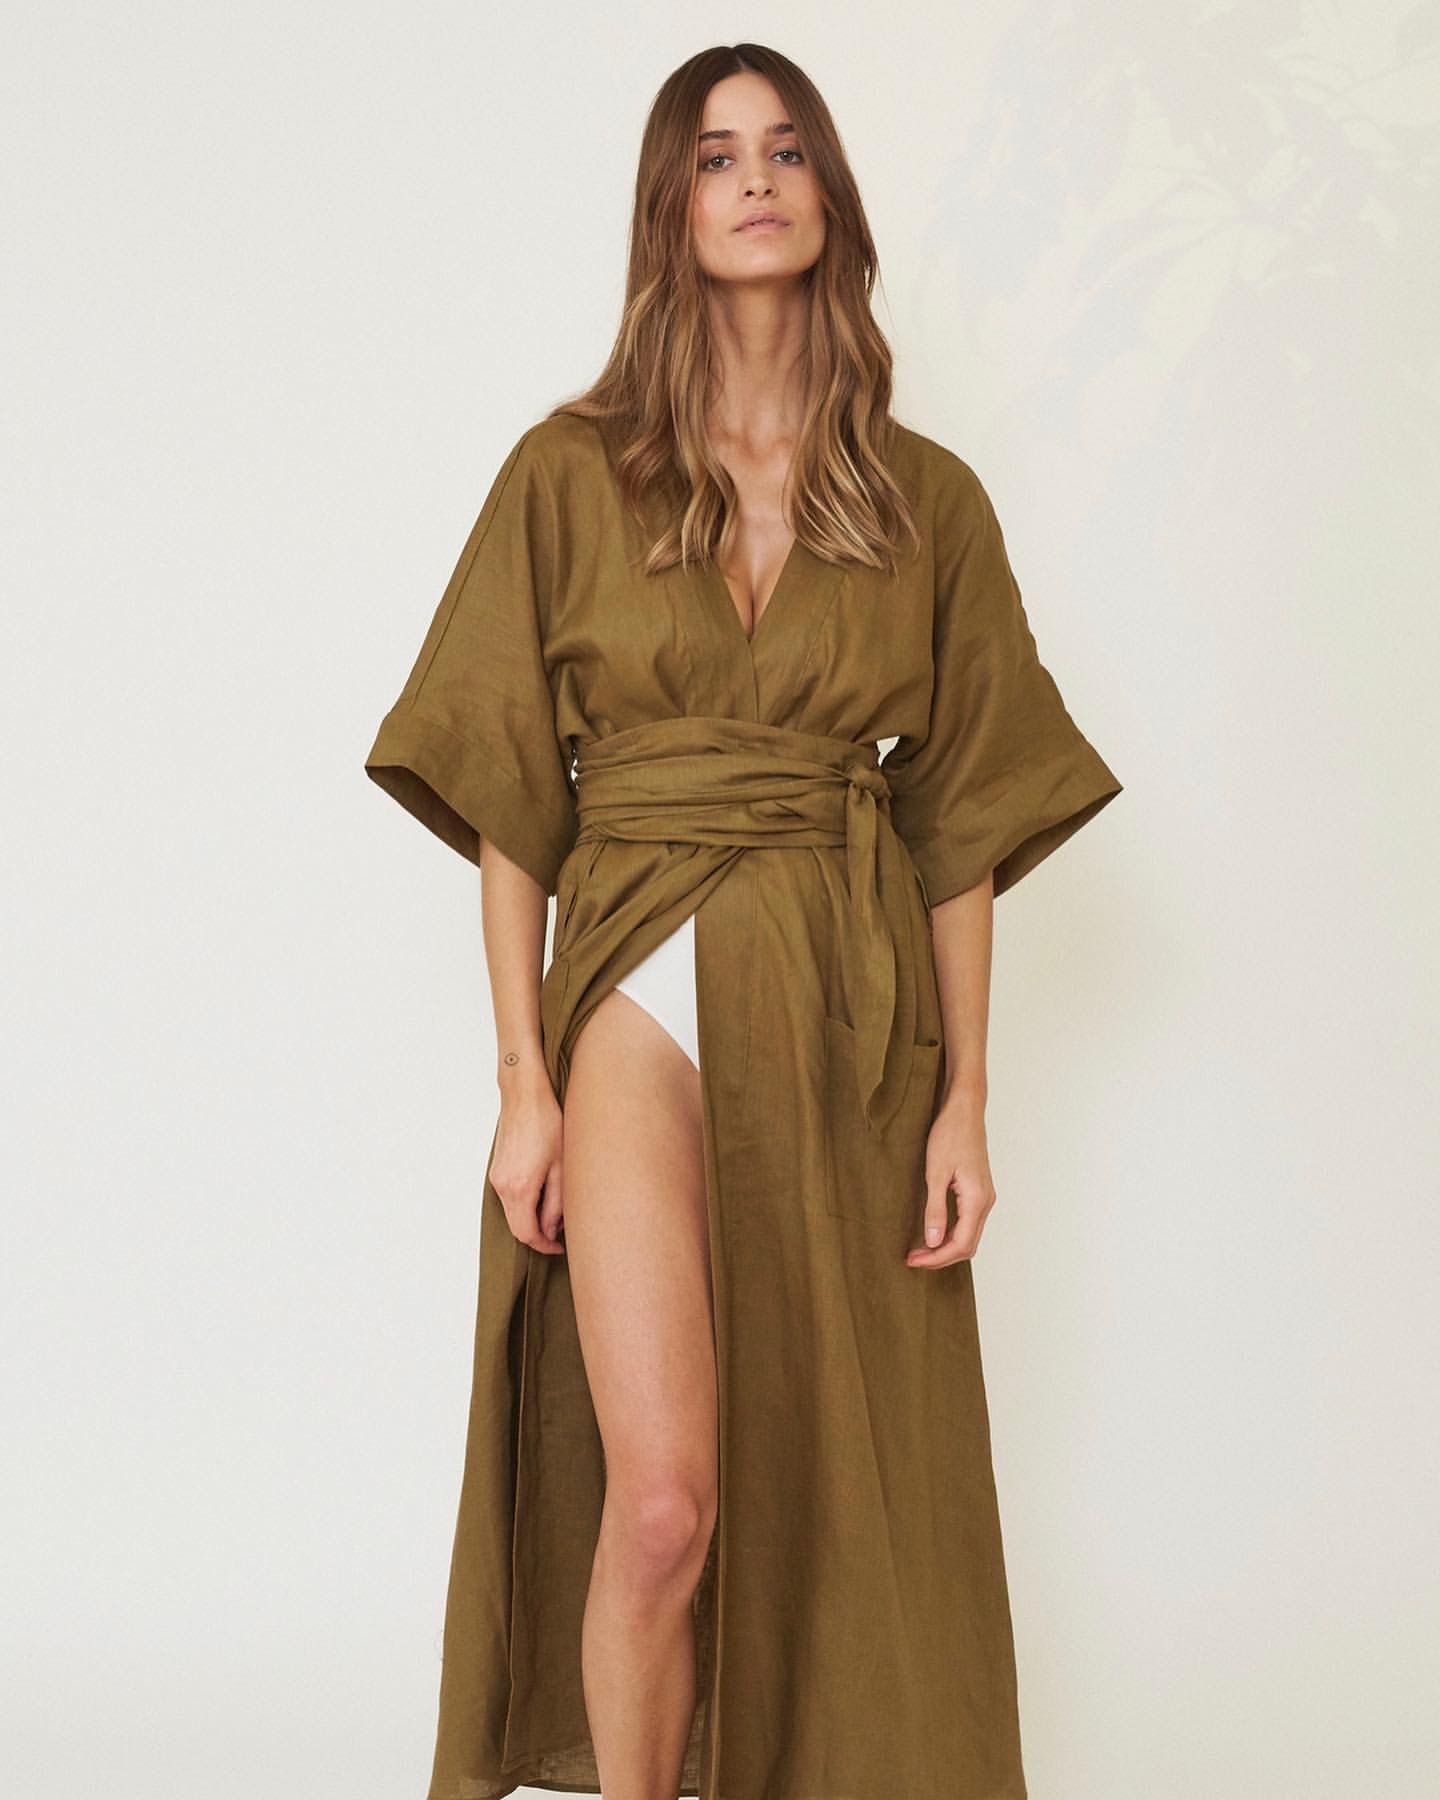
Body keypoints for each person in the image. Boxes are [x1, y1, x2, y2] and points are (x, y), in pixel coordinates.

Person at [364, 41, 1122, 1800]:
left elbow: (960, 821)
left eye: (786, 150)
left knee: (831, 1485)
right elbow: (509, 796)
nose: (757, 180)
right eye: (715, 157)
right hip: (636, 976)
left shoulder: (924, 499)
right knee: (666, 1501)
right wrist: (522, 1084)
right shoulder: (569, 473)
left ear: (829, 196)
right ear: (672, 208)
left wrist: (969, 1098)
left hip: (849, 997)